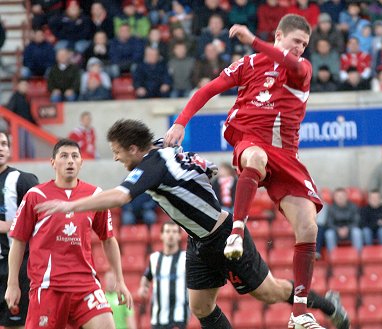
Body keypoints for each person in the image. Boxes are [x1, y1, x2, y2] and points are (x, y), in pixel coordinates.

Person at [34, 119, 349, 329]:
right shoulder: (159, 148)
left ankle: (325, 304)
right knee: (200, 307)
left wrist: (70, 205)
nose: (116, 159)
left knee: (268, 293)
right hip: (198, 242)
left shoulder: (153, 165)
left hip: (223, 237)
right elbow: (208, 167)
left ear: (133, 149)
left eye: (117, 153)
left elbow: (119, 196)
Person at [164, 15, 325, 328]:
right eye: (296, 42)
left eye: (304, 45)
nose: (300, 50)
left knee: (308, 227)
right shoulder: (249, 64)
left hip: (286, 156)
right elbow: (209, 89)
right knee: (254, 157)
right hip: (250, 139)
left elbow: (288, 63)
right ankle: (236, 232)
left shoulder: (301, 69)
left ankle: (299, 313)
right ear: (279, 35)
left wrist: (253, 39)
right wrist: (181, 121)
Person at [5, 139, 133, 329]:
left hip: (85, 285)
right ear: (53, 162)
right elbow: (18, 241)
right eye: (64, 156)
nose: (70, 161)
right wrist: (12, 283)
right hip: (49, 287)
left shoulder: (95, 195)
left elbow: (108, 239)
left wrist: (120, 280)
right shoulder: (35, 195)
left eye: (75, 156)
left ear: (81, 162)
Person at [0, 131, 39, 329]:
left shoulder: (22, 180)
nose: (1, 148)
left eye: (4, 144)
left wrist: (10, 226)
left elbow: (42, 218)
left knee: (18, 324)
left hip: (16, 267)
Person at [137, 221, 188, 329]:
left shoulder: (185, 258)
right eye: (167, 231)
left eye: (174, 232)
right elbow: (147, 276)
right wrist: (143, 287)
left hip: (178, 318)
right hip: (157, 319)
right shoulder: (154, 258)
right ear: (161, 235)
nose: (171, 235)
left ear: (179, 236)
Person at [324, 188, 363, 253]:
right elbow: (329, 223)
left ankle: (358, 256)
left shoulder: (353, 206)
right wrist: (338, 229)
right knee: (329, 234)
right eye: (338, 196)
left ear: (346, 197)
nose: (340, 198)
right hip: (336, 232)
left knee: (357, 232)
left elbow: (356, 221)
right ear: (334, 198)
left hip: (350, 231)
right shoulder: (331, 208)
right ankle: (333, 257)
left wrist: (347, 229)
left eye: (342, 196)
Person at [6, 80, 38, 159]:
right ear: (18, 86)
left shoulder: (26, 98)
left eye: (26, 86)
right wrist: (15, 123)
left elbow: (29, 114)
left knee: (30, 147)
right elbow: (9, 111)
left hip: (27, 126)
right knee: (21, 147)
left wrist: (36, 124)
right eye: (23, 85)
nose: (25, 87)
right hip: (19, 126)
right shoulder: (15, 97)